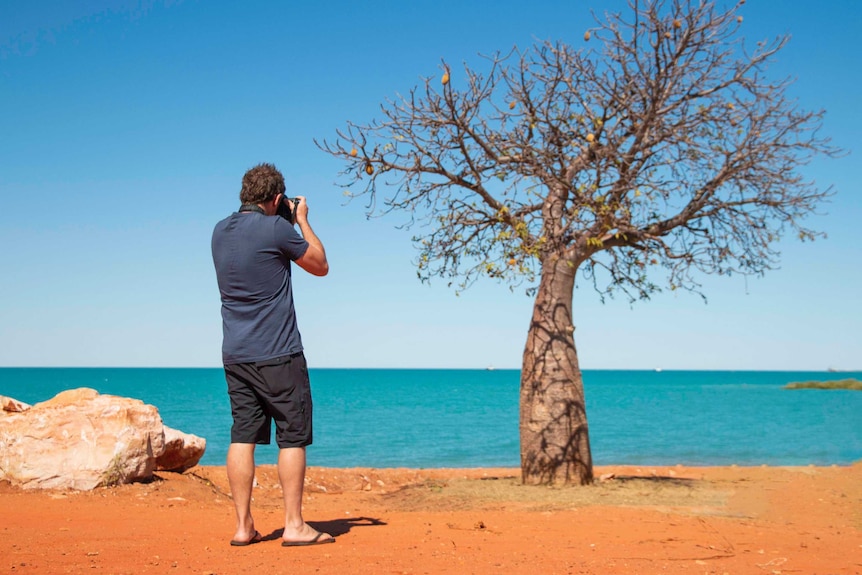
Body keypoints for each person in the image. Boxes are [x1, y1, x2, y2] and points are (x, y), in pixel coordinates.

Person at [211, 162, 333, 547]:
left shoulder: (218, 231)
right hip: (279, 352)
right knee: (292, 437)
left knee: (243, 435)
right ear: (277, 198)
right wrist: (301, 220)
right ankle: (294, 526)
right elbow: (320, 265)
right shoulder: (278, 228)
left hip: (236, 353)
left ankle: (243, 527)